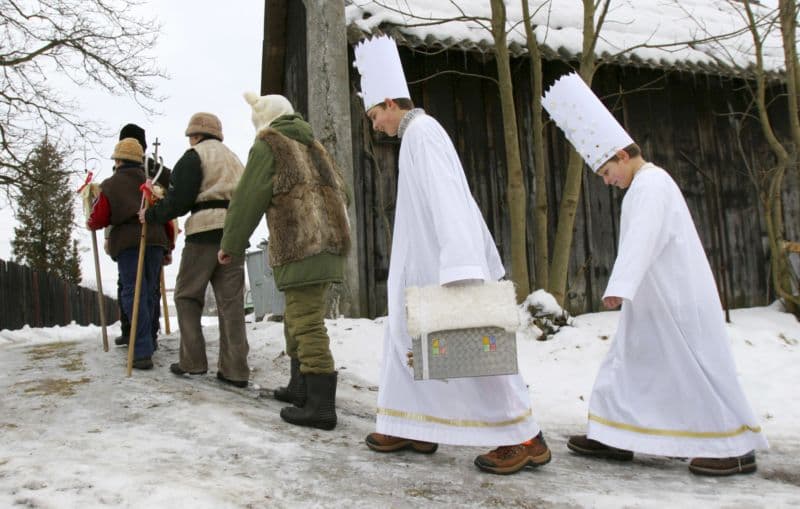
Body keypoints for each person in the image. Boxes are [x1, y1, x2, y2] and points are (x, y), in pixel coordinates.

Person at [541, 72, 768, 476]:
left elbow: (642, 240)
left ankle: (730, 443)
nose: (607, 181)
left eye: (606, 172)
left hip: (675, 303)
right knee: (629, 365)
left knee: (693, 369)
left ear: (622, 155)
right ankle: (617, 434)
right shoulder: (645, 184)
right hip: (655, 302)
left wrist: (620, 285)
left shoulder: (650, 185)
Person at [353, 35, 550, 475]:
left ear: (389, 102)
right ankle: (411, 423)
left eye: (372, 115)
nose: (373, 126)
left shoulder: (422, 134)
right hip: (421, 268)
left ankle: (522, 436)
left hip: (447, 267)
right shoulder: (414, 136)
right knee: (405, 343)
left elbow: (448, 199)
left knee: (477, 351)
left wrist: (460, 266)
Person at [218, 92, 350, 431]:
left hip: (300, 244)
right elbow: (342, 193)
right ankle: (300, 387)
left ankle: (320, 407)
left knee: (306, 322)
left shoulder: (269, 144)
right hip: (330, 244)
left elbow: (248, 197)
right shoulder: (314, 145)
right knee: (297, 316)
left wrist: (231, 243)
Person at [140, 112, 250, 387]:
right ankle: (235, 370)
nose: (189, 140)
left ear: (196, 134)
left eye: (190, 135)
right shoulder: (234, 159)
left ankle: (193, 362)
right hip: (234, 234)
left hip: (203, 232)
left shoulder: (194, 157)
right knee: (231, 304)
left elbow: (180, 200)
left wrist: (152, 215)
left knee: (187, 296)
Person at [88, 138, 169, 369]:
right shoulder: (151, 183)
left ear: (119, 160)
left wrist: (90, 220)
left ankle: (141, 350)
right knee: (151, 291)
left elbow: (100, 217)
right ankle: (150, 340)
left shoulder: (110, 185)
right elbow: (166, 216)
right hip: (154, 241)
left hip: (128, 244)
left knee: (134, 293)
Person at [112, 123, 172, 348]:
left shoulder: (152, 168)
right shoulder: (120, 168)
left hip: (149, 230)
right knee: (138, 286)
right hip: (136, 236)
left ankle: (144, 333)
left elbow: (170, 189)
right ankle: (134, 331)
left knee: (140, 286)